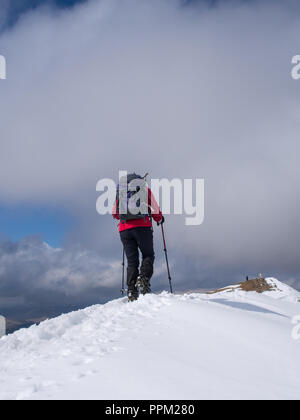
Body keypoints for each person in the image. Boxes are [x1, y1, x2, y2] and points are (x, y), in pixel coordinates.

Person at [112, 173, 164, 301]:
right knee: (148, 255)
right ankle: (144, 278)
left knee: (131, 261)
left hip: (124, 230)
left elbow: (114, 213)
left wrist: (126, 218)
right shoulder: (144, 190)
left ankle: (131, 291)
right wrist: (160, 219)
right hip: (142, 227)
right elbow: (155, 209)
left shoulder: (121, 192)